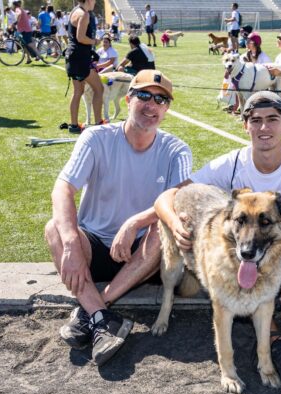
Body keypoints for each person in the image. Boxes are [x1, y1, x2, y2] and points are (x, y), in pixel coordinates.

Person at [155, 91, 281, 391]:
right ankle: (276, 343)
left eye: (272, 119)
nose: (264, 127)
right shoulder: (231, 162)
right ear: (246, 126)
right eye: (256, 120)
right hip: (248, 264)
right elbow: (171, 194)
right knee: (242, 277)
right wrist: (171, 223)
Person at [45, 69, 192, 366]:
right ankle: (103, 318)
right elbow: (62, 188)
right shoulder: (96, 137)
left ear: (167, 109)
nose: (152, 105)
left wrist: (135, 222)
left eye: (161, 100)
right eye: (144, 95)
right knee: (54, 229)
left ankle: (93, 310)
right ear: (128, 99)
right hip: (94, 247)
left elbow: (180, 199)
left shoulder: (176, 149)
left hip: (141, 255)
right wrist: (71, 243)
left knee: (162, 229)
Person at [64, 0, 103, 133]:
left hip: (72, 56)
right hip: (80, 58)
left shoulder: (75, 10)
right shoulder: (84, 14)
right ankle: (98, 123)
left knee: (78, 92)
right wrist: (95, 41)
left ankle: (74, 125)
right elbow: (80, 38)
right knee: (99, 89)